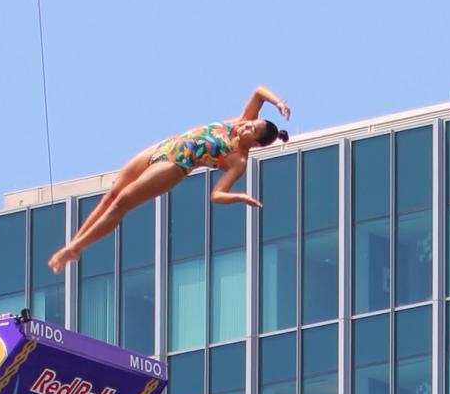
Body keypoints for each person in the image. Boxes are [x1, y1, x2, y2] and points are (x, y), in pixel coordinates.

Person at [48, 86, 292, 273]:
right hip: (167, 145)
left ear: (256, 143)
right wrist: (279, 103)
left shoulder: (238, 160)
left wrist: (237, 197)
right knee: (111, 194)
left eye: (252, 131)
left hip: (176, 164)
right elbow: (259, 92)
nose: (247, 127)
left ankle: (76, 248)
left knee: (121, 202)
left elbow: (216, 195)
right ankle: (75, 243)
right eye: (251, 124)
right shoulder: (240, 122)